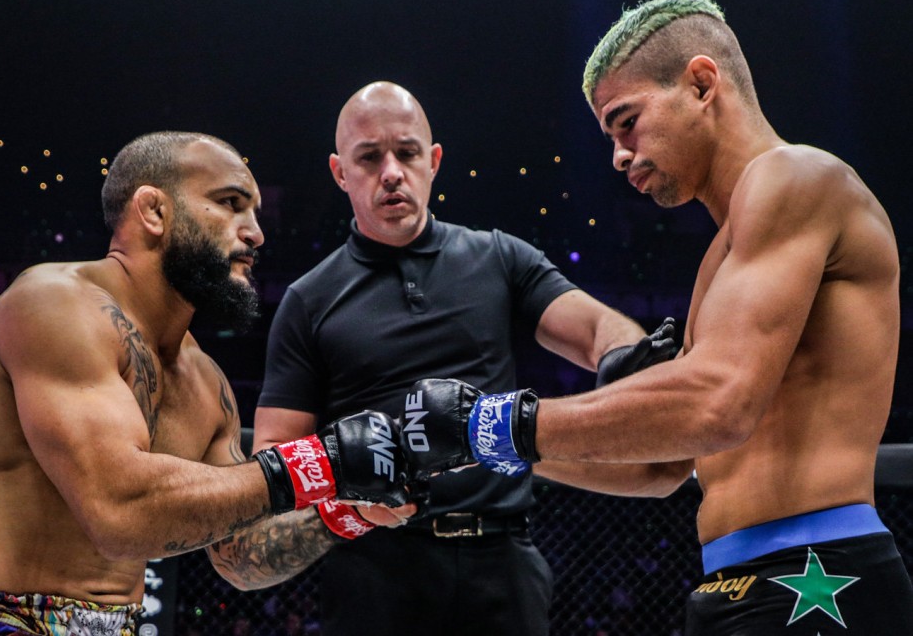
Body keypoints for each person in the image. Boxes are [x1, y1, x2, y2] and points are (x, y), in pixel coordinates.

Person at [403, 0, 913, 634]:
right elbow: (663, 467)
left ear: (701, 84)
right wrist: (473, 445)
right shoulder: (722, 254)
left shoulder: (796, 176)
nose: (618, 155)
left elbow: (718, 404)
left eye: (627, 121)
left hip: (818, 573)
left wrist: (494, 422)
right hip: (740, 579)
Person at [0, 131, 410, 636]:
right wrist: (319, 462)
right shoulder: (52, 305)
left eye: (255, 212)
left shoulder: (207, 382)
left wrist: (348, 510)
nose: (255, 233)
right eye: (230, 203)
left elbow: (239, 556)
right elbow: (118, 511)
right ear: (153, 210)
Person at [250, 81, 689, 636]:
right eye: (370, 157)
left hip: (501, 561)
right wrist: (344, 498)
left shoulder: (498, 258)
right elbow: (271, 463)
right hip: (375, 565)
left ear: (433, 161)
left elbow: (600, 328)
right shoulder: (309, 299)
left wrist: (624, 356)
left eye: (407, 153)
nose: (392, 172)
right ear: (340, 172)